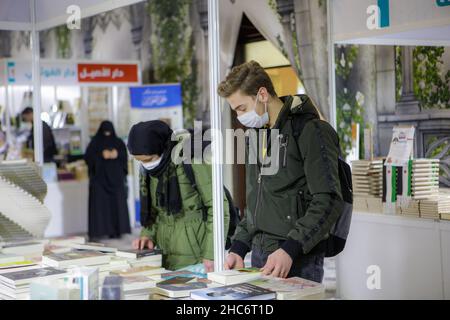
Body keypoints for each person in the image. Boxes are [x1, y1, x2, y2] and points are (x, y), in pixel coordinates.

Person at [218, 61, 344, 283]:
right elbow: (256, 202)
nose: (240, 117)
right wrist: (238, 247)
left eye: (242, 108)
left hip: (297, 258)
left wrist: (290, 248)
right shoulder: (256, 136)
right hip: (259, 256)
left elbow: (329, 200)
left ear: (263, 94)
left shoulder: (312, 131)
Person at [127, 120, 230, 272]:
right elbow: (156, 211)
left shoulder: (192, 160)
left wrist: (211, 254)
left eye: (148, 159)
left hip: (197, 256)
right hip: (167, 255)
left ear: (161, 147)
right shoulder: (151, 171)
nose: (145, 165)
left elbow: (218, 208)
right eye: (139, 161)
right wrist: (147, 235)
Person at [85, 121, 131, 241]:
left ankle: (117, 231)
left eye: (109, 131)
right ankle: (100, 231)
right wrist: (101, 155)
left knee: (116, 206)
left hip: (116, 182)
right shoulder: (95, 143)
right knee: (101, 206)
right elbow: (88, 157)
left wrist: (117, 154)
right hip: (100, 182)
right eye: (105, 131)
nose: (107, 134)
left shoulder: (118, 143)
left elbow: (124, 156)